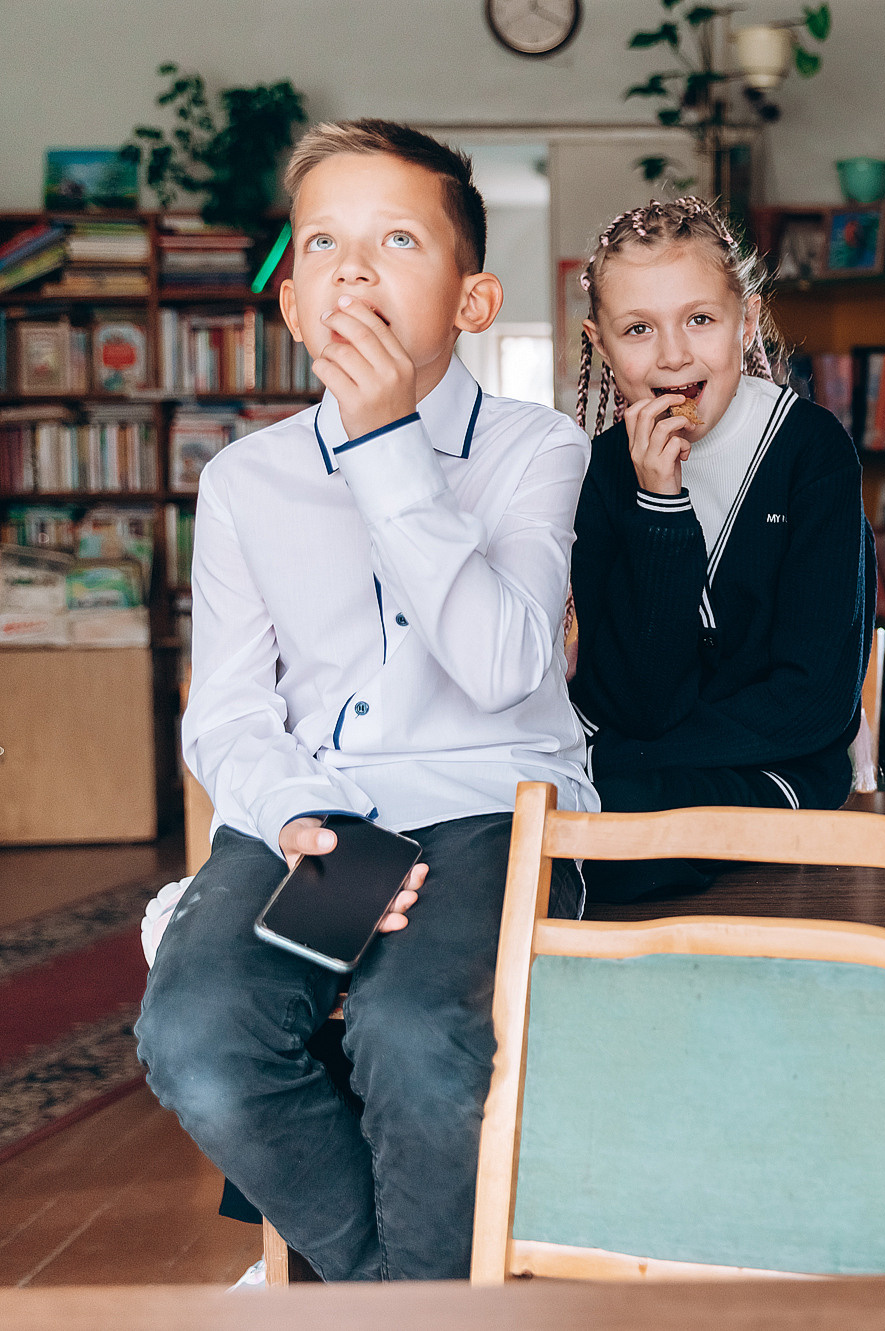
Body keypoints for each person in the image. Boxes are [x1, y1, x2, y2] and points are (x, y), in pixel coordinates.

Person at [135, 120, 594, 1282]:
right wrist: (296, 815)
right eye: (324, 243)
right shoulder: (246, 479)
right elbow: (230, 708)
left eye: (397, 239)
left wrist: (389, 443)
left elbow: (500, 666)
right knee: (199, 1036)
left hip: (489, 800)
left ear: (473, 299)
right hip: (324, 812)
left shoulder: (536, 449)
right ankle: (393, 1297)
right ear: (291, 304)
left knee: (416, 1040)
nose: (353, 267)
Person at [565, 198, 873, 902]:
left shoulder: (812, 452)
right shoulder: (606, 471)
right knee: (549, 828)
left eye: (700, 319)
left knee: (601, 833)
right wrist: (660, 503)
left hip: (778, 769)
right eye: (639, 328)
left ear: (747, 322)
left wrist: (628, 757)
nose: (674, 354)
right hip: (635, 768)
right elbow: (636, 697)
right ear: (602, 343)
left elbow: (814, 701)